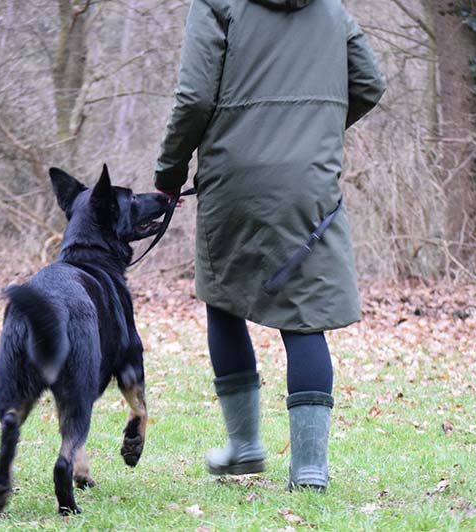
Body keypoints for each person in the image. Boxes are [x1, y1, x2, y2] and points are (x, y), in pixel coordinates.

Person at [154, 0, 385, 492]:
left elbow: (194, 98)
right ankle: (309, 470)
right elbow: (369, 83)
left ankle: (244, 447)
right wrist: (312, 130)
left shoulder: (217, 5)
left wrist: (169, 173)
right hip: (309, 180)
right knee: (304, 315)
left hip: (233, 175)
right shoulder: (330, 8)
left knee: (223, 300)